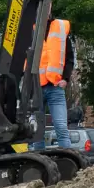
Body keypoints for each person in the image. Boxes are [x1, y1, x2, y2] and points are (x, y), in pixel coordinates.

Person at [37, 17, 75, 150]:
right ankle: (37, 161)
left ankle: (68, 158)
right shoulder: (30, 28)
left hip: (55, 86)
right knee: (37, 131)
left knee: (61, 127)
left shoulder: (60, 27)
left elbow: (69, 57)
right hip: (35, 89)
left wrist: (66, 79)